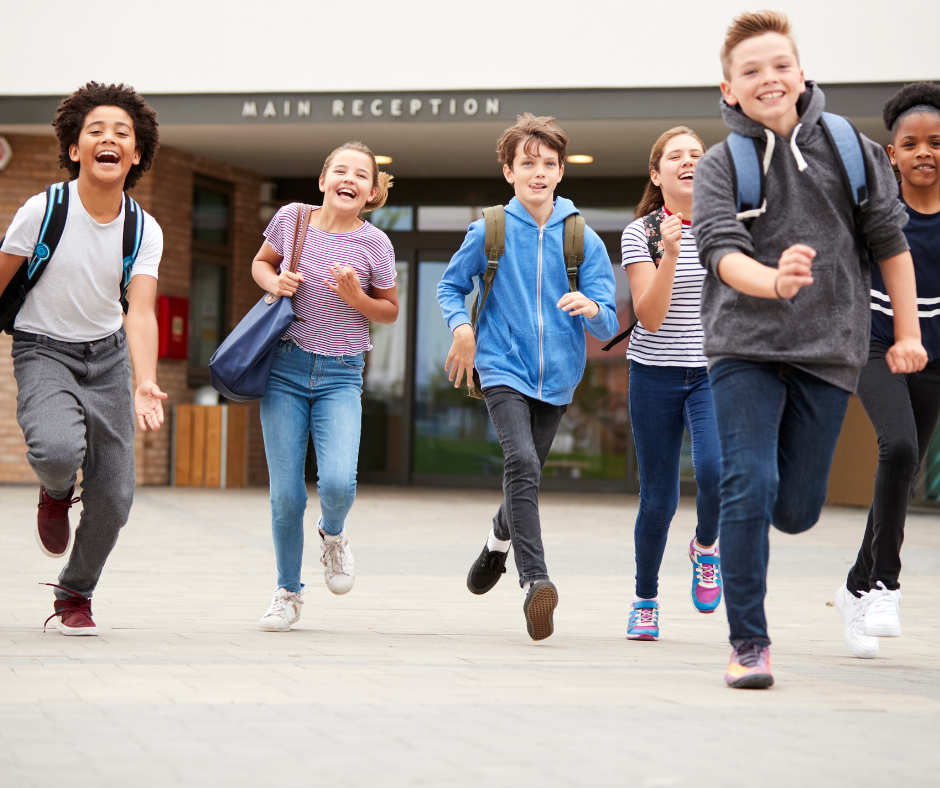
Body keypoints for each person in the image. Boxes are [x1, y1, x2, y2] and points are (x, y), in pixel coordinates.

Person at [693, 11, 927, 688]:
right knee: (749, 484)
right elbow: (721, 256)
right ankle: (749, 644)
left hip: (829, 352)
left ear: (800, 72)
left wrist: (908, 335)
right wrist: (774, 280)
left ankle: (742, 526)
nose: (768, 78)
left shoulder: (850, 148)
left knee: (794, 511)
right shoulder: (720, 164)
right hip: (744, 347)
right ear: (729, 89)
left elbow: (890, 243)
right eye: (751, 71)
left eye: (779, 65)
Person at [437, 113, 619, 641]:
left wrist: (591, 305)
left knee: (528, 471)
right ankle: (534, 581)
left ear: (561, 172)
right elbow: (451, 287)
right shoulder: (489, 228)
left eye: (548, 164)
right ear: (509, 171)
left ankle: (497, 541)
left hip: (559, 375)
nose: (538, 172)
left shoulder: (583, 237)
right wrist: (462, 329)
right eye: (528, 163)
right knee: (520, 460)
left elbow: (610, 319)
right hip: (501, 364)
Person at [0, 82, 165, 635]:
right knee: (55, 449)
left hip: (109, 359)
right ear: (75, 149)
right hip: (43, 348)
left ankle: (76, 592)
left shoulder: (144, 228)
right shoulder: (42, 210)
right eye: (95, 130)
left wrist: (145, 381)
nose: (109, 138)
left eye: (122, 132)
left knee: (116, 498)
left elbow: (139, 313)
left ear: (136, 153)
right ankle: (54, 492)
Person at [252, 141, 399, 632]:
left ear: (372, 192)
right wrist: (273, 283)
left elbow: (390, 310)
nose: (349, 178)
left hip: (340, 375)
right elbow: (261, 263)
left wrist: (357, 297)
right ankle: (287, 592)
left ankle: (332, 535)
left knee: (337, 482)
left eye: (361, 174)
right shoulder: (293, 218)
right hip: (285, 371)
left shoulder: (375, 244)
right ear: (323, 181)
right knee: (286, 495)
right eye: (341, 170)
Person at [835, 82, 940, 658]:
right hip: (873, 346)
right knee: (897, 448)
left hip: (932, 355)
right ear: (892, 152)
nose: (925, 151)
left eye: (936, 142)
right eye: (911, 143)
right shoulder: (875, 212)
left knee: (903, 470)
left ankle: (854, 587)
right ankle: (884, 586)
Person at [621, 127, 721, 642]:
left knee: (715, 468)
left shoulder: (729, 227)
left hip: (711, 373)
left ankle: (706, 547)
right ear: (657, 176)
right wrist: (671, 253)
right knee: (657, 499)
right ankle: (645, 599)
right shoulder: (641, 233)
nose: (689, 162)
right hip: (654, 374)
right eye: (675, 157)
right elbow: (651, 317)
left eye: (697, 155)